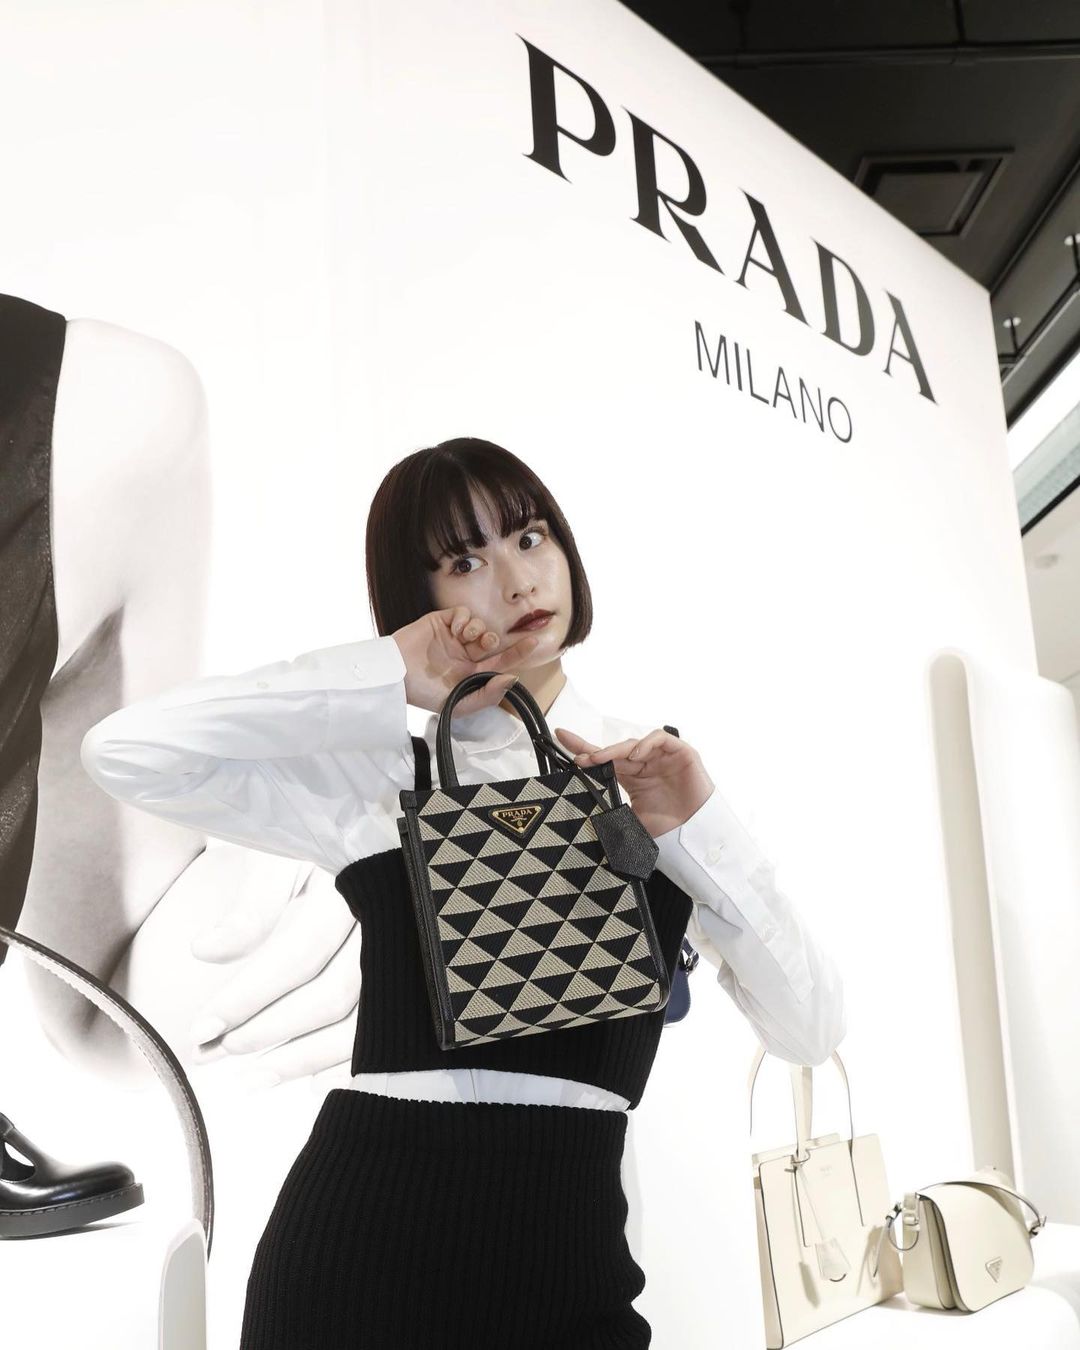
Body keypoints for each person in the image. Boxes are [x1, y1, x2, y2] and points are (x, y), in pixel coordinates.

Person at [81, 436, 846, 1349]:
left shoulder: (649, 774)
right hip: (361, 1255)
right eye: (464, 560)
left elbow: (809, 1030)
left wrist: (699, 825)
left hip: (572, 1260)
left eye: (529, 538)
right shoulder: (378, 779)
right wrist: (384, 673)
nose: (516, 583)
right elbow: (123, 751)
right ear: (422, 597)